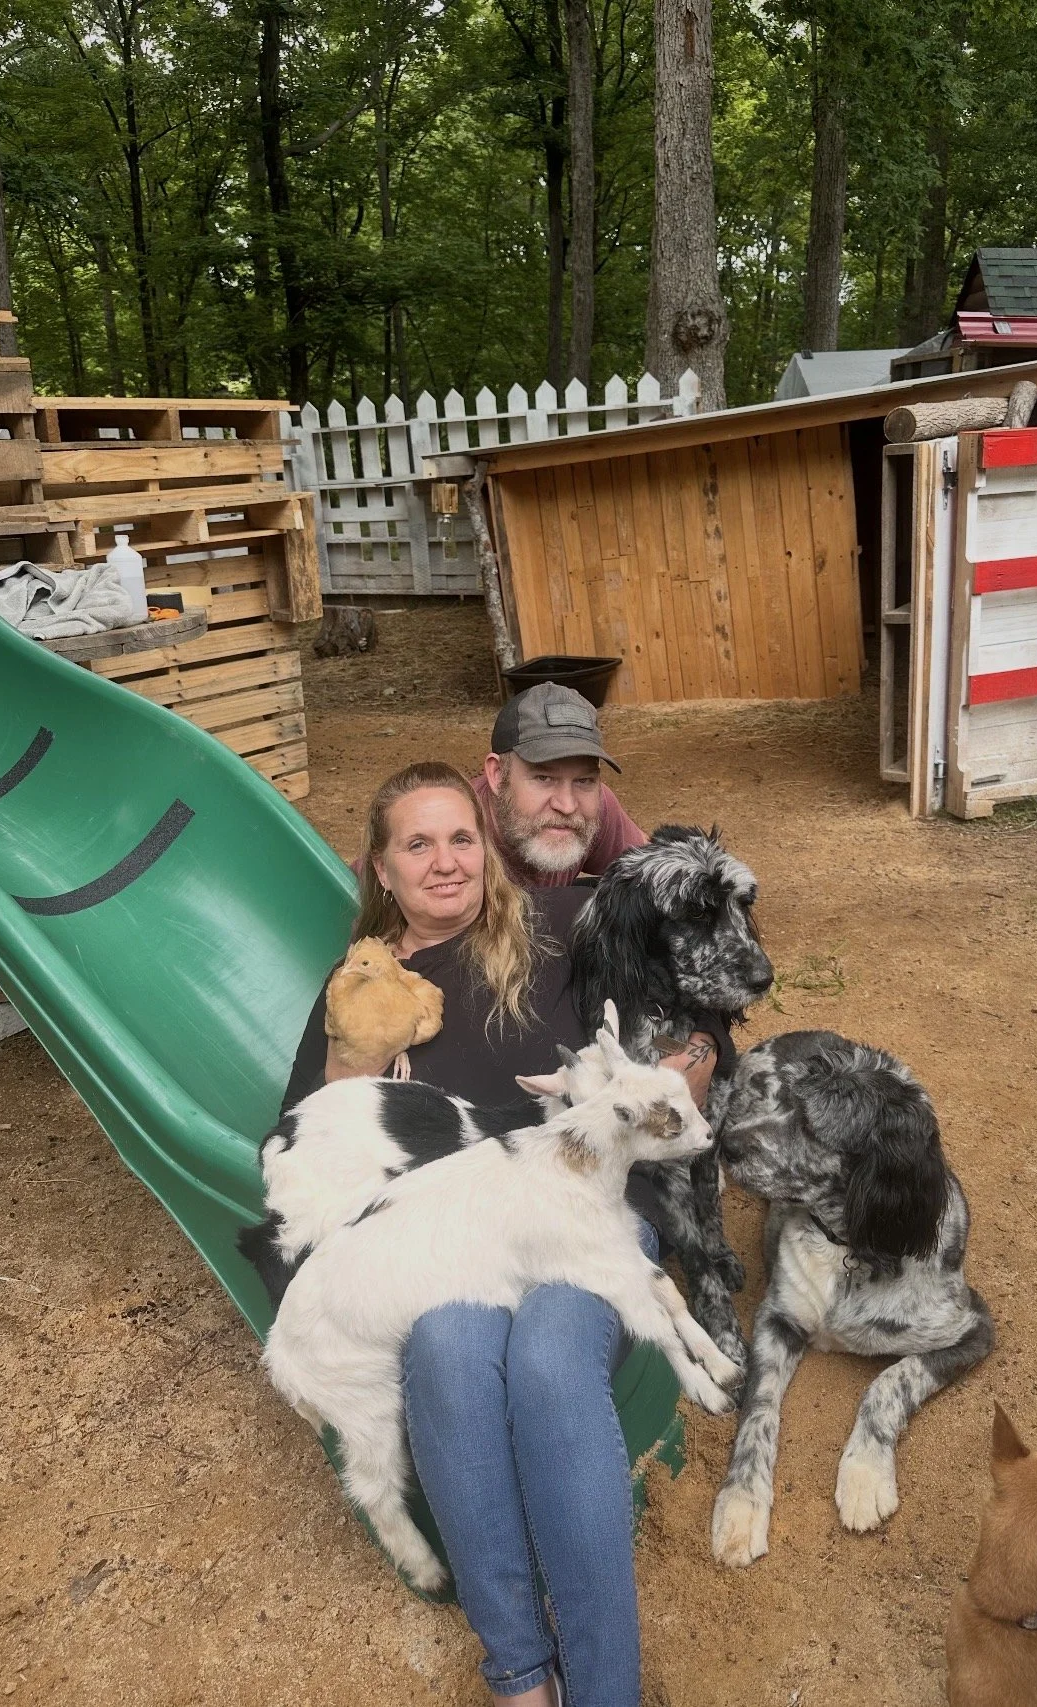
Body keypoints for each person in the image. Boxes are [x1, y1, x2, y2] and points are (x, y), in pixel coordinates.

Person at [281, 761, 725, 1707]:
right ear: (381, 870)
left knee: (551, 1364)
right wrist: (352, 1063)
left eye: (462, 838)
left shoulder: (562, 926)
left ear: (487, 847)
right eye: (418, 843)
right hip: (454, 1239)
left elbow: (703, 998)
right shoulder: (364, 985)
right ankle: (521, 1672)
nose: (446, 862)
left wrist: (693, 1059)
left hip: (585, 1216)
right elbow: (308, 1141)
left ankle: (606, 1691)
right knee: (446, 1350)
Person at [471, 682, 646, 889]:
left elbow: (656, 869)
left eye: (584, 780)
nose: (567, 805)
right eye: (544, 778)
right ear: (498, 775)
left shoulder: (598, 806)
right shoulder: (450, 831)